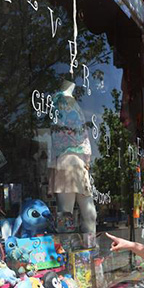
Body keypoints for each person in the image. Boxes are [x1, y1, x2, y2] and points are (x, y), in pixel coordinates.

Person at [48, 79, 97, 233]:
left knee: (90, 214)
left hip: (79, 163)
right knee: (66, 215)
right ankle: (68, 251)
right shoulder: (61, 100)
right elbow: (58, 134)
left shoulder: (69, 100)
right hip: (67, 159)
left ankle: (89, 247)